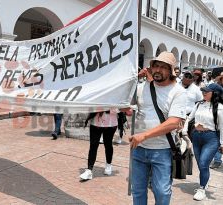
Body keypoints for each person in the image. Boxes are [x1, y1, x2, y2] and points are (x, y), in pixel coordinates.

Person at [129, 51, 187, 205]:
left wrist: (145, 135)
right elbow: (128, 109)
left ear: (171, 71)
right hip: (138, 148)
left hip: (162, 150)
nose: (158, 70)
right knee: (138, 190)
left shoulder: (178, 92)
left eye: (163, 67)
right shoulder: (142, 87)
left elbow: (174, 122)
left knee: (161, 192)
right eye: (155, 66)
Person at [182, 83, 223, 201]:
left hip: (211, 138)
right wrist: (185, 130)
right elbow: (189, 118)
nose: (204, 93)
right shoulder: (199, 104)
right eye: (203, 91)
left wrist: (222, 143)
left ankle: (202, 189)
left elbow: (222, 127)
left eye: (207, 91)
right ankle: (205, 179)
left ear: (214, 93)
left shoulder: (220, 108)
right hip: (196, 137)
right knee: (200, 164)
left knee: (204, 163)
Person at [79, 110, 118, 180]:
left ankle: (108, 164)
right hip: (95, 122)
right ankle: (89, 170)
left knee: (108, 144)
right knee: (93, 145)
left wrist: (113, 110)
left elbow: (125, 108)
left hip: (110, 123)